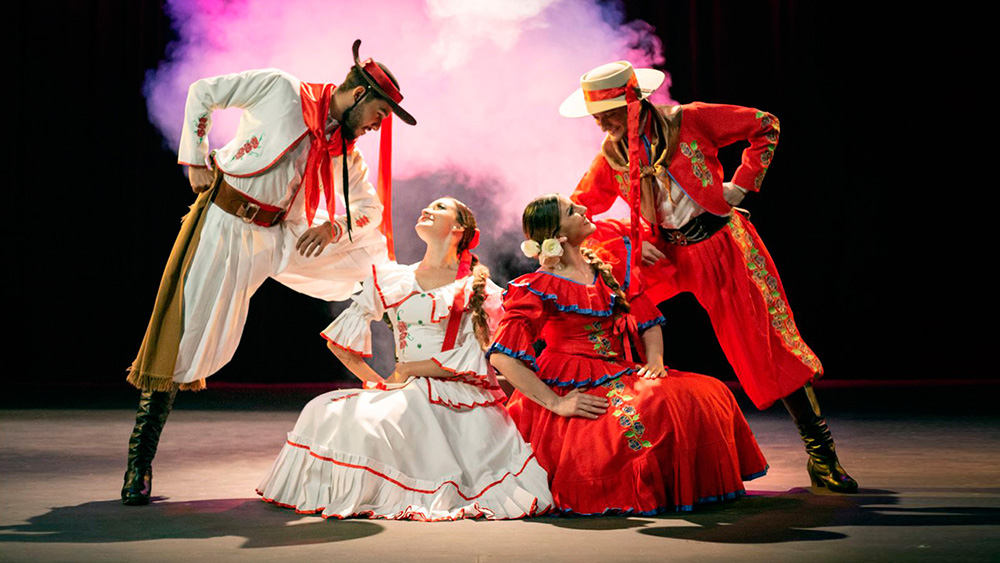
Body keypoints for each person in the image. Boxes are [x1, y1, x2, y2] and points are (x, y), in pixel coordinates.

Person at [121, 40, 417, 506]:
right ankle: (139, 465)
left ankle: (408, 367)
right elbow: (203, 92)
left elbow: (368, 210)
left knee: (372, 257)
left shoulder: (344, 151)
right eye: (380, 114)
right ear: (359, 96)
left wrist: (333, 226)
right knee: (185, 335)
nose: (379, 126)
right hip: (226, 222)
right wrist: (197, 158)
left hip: (281, 235)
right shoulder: (281, 89)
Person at [560, 61, 857, 493]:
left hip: (723, 245)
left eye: (608, 112)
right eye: (596, 116)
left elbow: (765, 125)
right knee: (605, 294)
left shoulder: (692, 119)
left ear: (634, 101)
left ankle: (822, 455)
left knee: (766, 342)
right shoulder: (612, 155)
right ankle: (618, 442)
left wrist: (742, 184)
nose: (603, 124)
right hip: (671, 253)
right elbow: (578, 210)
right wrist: (630, 237)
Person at [256, 197, 553, 521]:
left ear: (459, 229)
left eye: (439, 208)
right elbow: (341, 342)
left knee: (371, 424)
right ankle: (343, 493)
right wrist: (379, 383)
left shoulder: (479, 289)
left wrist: (408, 370)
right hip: (409, 390)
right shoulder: (393, 279)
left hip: (457, 395)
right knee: (321, 410)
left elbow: (478, 356)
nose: (427, 209)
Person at [487, 194, 767, 515]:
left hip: (620, 369)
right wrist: (557, 402)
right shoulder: (538, 286)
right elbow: (502, 357)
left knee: (707, 392)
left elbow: (648, 320)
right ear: (558, 235)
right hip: (573, 378)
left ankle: (678, 490)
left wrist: (655, 361)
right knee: (653, 407)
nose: (583, 210)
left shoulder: (605, 269)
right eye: (571, 211)